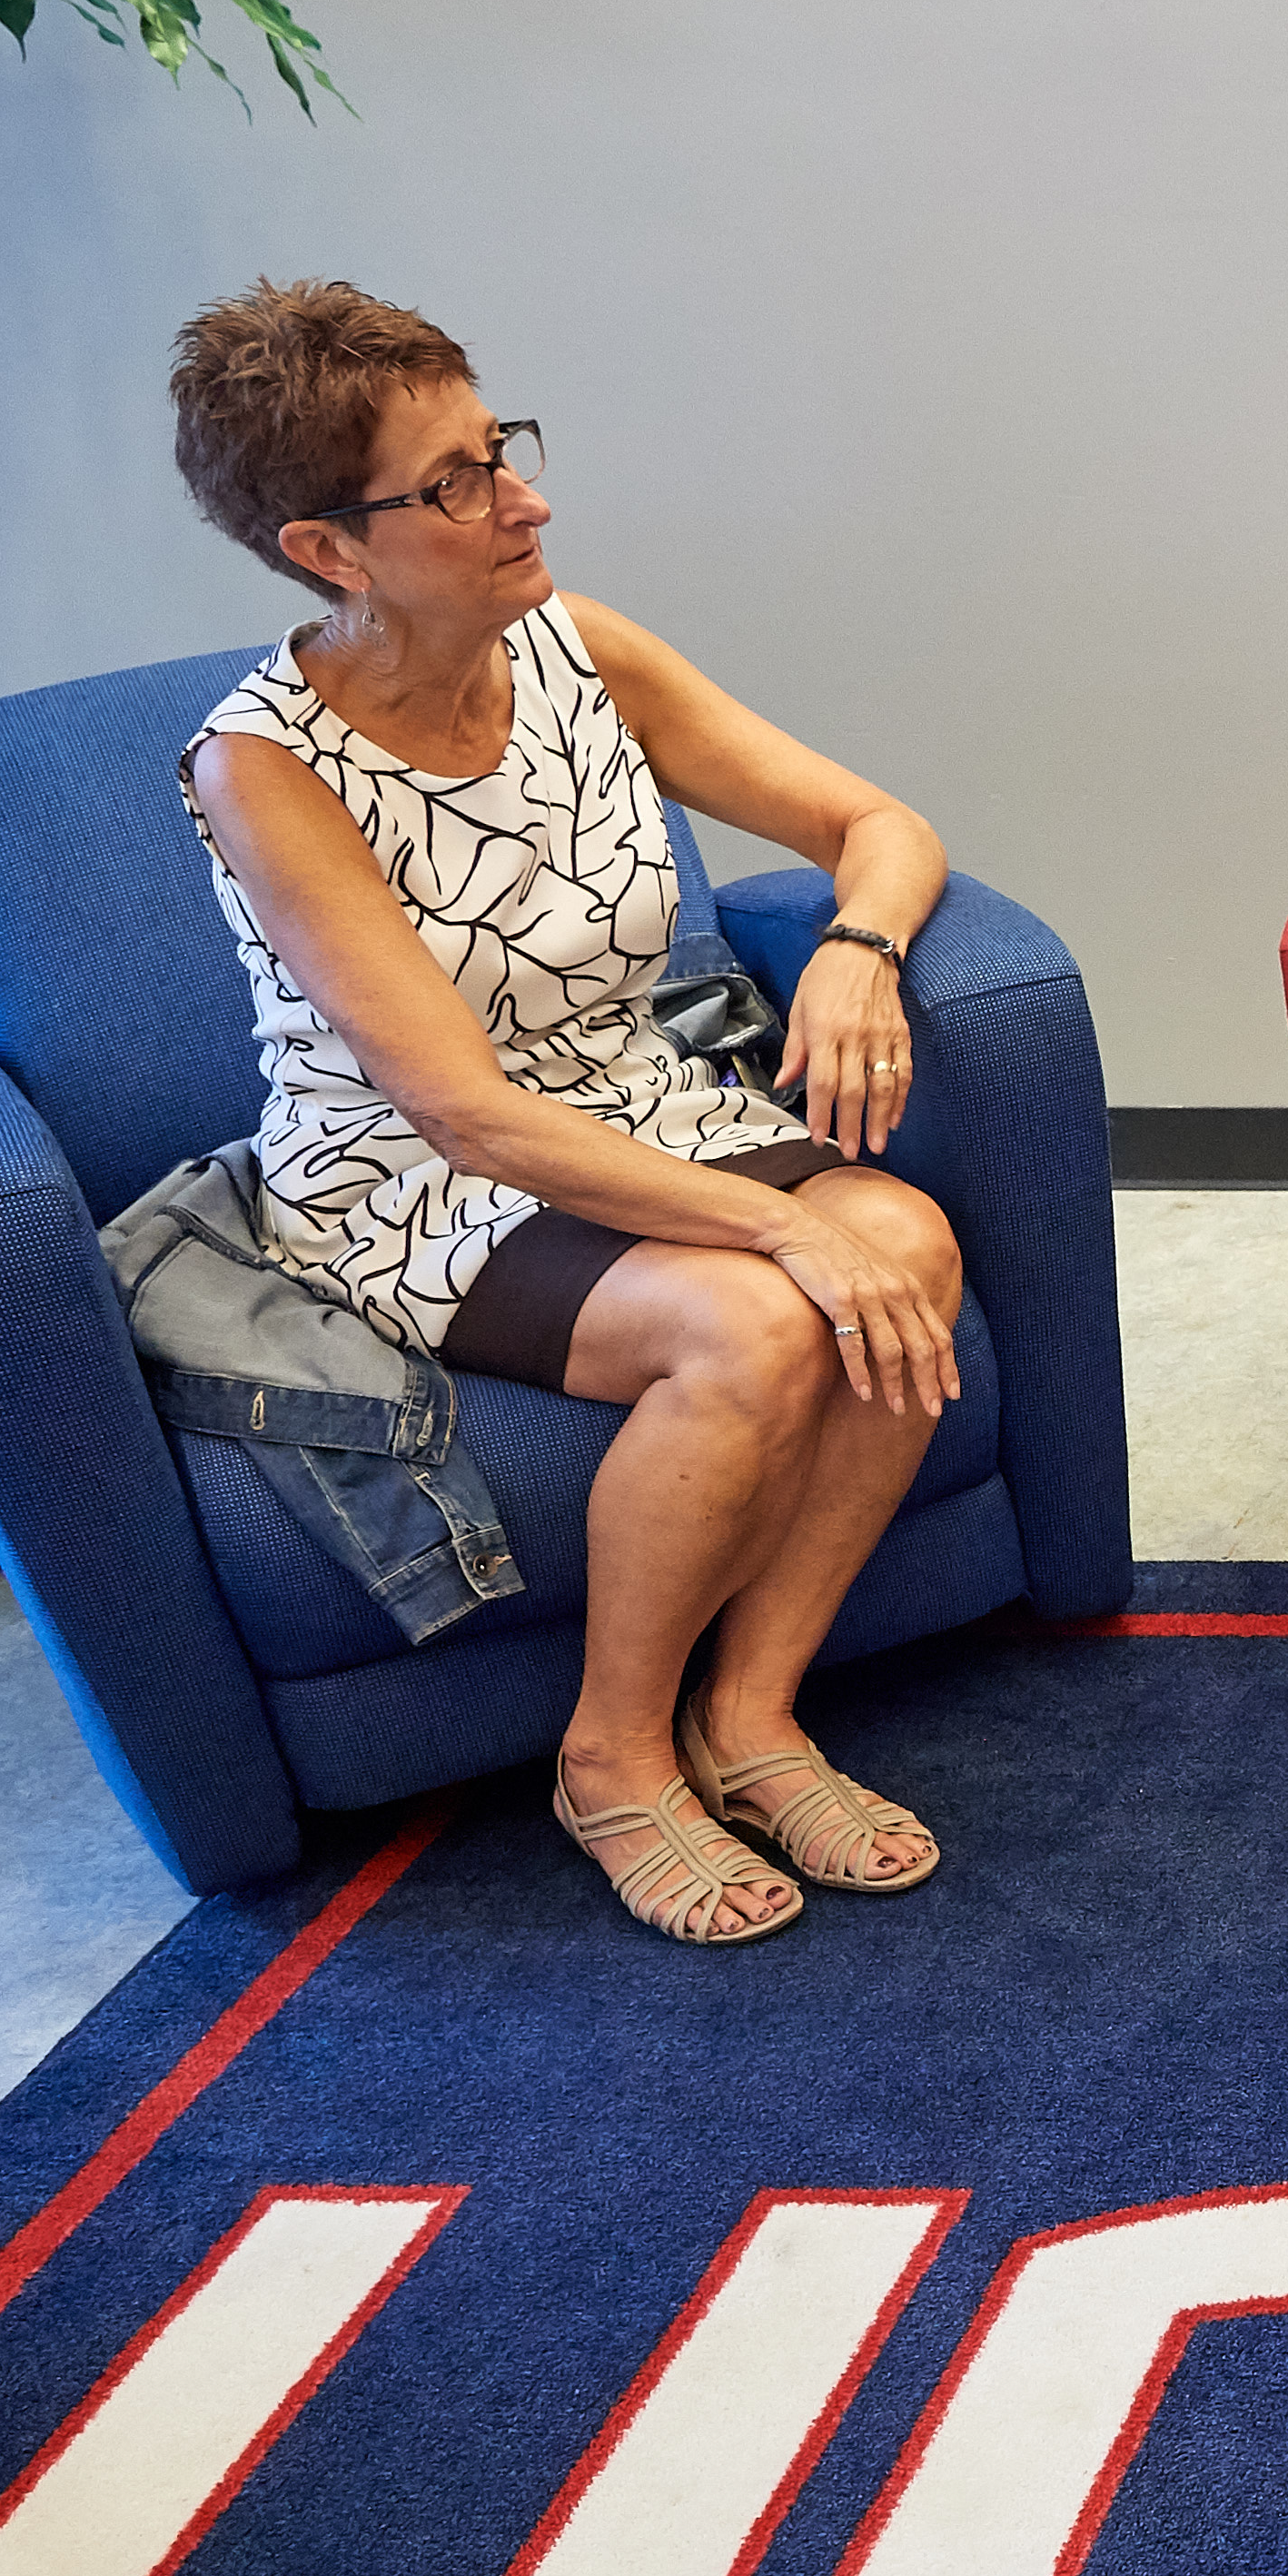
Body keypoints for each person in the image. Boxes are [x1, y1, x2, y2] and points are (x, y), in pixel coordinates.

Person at [167, 278, 969, 1947]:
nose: (521, 498)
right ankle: (610, 1756)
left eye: (499, 447)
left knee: (905, 1232)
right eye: (454, 480)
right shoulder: (264, 765)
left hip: (633, 1091)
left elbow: (875, 821)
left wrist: (858, 950)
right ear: (331, 549)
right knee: (760, 1317)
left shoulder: (581, 649)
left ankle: (749, 1714)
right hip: (410, 1175)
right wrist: (777, 1224)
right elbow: (463, 1113)